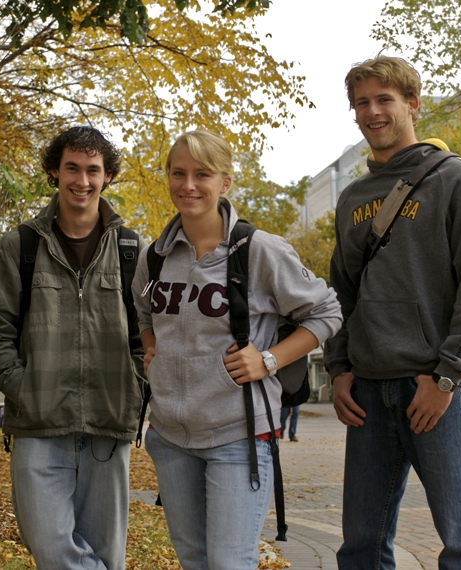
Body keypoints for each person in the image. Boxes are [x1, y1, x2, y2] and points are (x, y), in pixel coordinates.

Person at [325, 55, 461, 570]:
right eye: (362, 102)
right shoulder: (352, 198)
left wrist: (448, 377)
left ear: (412, 103)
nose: (373, 111)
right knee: (360, 548)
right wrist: (340, 370)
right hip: (367, 393)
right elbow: (341, 293)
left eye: (385, 99)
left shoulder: (458, 179)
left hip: (435, 389)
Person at [134, 129, 342, 569]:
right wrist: (151, 347)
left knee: (230, 562)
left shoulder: (259, 251)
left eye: (202, 174)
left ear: (225, 183)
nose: (188, 185)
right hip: (170, 438)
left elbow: (327, 313)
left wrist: (268, 360)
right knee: (194, 560)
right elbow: (142, 314)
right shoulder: (154, 256)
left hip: (238, 436)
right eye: (178, 173)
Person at [0, 126, 145, 570]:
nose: (81, 180)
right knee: (49, 547)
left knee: (107, 552)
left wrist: (138, 385)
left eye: (92, 170)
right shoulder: (20, 246)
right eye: (72, 168)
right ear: (54, 170)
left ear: (107, 177)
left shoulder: (133, 251)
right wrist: (23, 387)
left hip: (109, 422)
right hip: (38, 424)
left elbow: (151, 334)